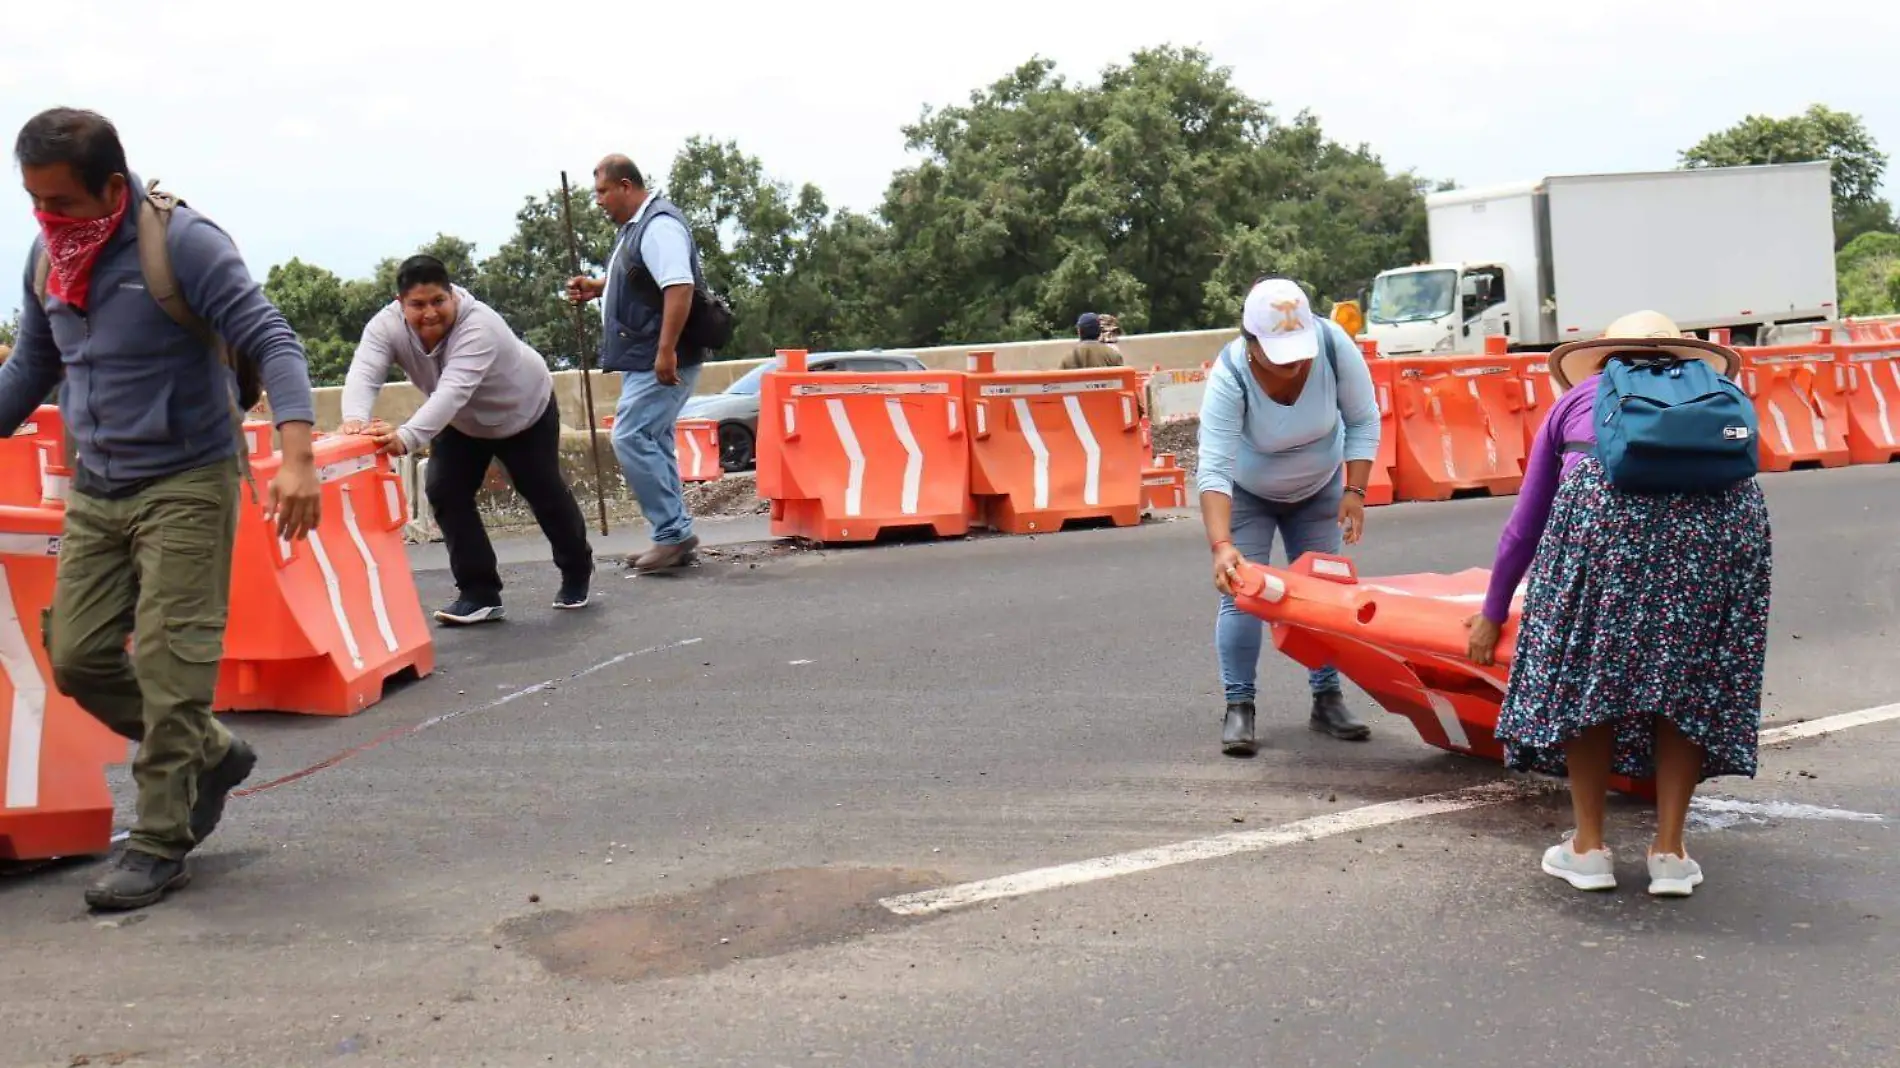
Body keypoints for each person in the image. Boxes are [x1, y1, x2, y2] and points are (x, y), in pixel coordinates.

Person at [0, 108, 321, 911]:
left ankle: (159, 842)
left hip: (186, 479)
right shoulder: (49, 260)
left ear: (113, 186)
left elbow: (274, 339)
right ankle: (210, 753)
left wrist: (297, 459)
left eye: (61, 202)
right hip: (98, 486)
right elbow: (34, 367)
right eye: (34, 202)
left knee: (176, 673)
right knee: (75, 656)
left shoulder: (183, 244)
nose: (48, 218)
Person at [1466, 311, 1772, 898]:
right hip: (1722, 531)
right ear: (1685, 358)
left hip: (1607, 525)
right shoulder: (1721, 392)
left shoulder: (1580, 398)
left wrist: (1493, 609)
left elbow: (1524, 528)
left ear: (1605, 357)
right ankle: (1671, 853)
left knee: (1591, 675)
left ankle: (1587, 848)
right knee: (1690, 679)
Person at [341, 255, 594, 625]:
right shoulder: (385, 326)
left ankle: (576, 571)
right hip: (462, 423)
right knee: (444, 490)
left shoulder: (480, 326)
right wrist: (354, 421)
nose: (430, 313)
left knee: (543, 491)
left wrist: (405, 437)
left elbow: (452, 391)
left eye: (438, 301)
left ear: (453, 296)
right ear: (400, 304)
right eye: (418, 305)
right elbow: (364, 373)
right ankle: (479, 593)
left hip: (523, 412)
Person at [1198, 277, 1381, 757]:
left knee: (1322, 595)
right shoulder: (1230, 374)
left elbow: (1363, 419)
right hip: (1249, 491)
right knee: (1243, 595)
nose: (1297, 365)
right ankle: (1240, 705)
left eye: (1300, 353)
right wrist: (1221, 546)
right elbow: (1214, 467)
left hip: (1319, 488)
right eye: (1282, 356)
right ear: (1252, 345)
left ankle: (1327, 698)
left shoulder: (1333, 346)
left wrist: (1355, 491)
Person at [565, 155, 707, 573]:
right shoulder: (639, 229)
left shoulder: (658, 225)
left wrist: (666, 351)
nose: (598, 201)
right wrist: (598, 288)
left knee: (630, 436)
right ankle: (675, 535)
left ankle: (671, 536)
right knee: (653, 439)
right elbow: (639, 276)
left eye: (603, 192)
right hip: (646, 355)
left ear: (626, 186)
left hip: (657, 357)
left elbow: (678, 285)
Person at [1061, 312, 1125, 369]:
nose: (1109, 337)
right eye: (1105, 331)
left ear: (1079, 331)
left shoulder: (1068, 358)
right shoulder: (1113, 355)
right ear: (1099, 331)